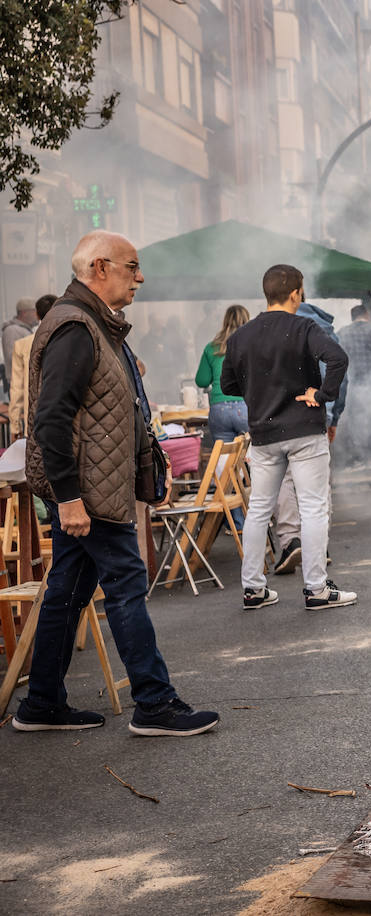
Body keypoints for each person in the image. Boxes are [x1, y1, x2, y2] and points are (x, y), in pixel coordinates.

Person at [15, 230, 218, 736]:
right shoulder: (75, 327)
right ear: (100, 268)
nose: (140, 277)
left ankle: (41, 703)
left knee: (66, 593)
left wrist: (146, 471)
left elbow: (114, 411)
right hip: (88, 496)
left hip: (90, 492)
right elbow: (52, 420)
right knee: (125, 588)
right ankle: (154, 703)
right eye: (132, 267)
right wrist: (69, 497)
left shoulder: (90, 324)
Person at [221, 264, 355, 612]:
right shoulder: (305, 328)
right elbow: (338, 358)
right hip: (304, 431)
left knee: (260, 510)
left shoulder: (240, 337)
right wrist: (322, 394)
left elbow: (227, 385)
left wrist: (257, 393)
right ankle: (316, 589)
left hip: (264, 434)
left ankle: (253, 589)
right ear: (297, 292)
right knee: (313, 507)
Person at [271, 299, 346, 577]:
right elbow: (341, 374)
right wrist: (334, 413)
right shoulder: (324, 329)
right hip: (317, 414)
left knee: (285, 480)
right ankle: (319, 546)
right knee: (317, 486)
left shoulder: (273, 329)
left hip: (280, 415)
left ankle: (291, 541)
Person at [336, 303, 371, 466]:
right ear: (366, 315)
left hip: (353, 384)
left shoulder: (342, 333)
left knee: (355, 419)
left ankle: (357, 457)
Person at [196, 305, 251, 446]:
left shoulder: (212, 347)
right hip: (246, 407)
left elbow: (201, 381)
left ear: (225, 321)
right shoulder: (252, 346)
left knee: (223, 459)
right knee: (253, 456)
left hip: (219, 409)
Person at [8, 293, 56, 438]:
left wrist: (15, 426)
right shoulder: (70, 342)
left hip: (34, 421)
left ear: (37, 315)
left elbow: (17, 388)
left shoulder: (22, 345)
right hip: (66, 423)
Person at [3, 297, 39, 396]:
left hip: (26, 385)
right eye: (34, 311)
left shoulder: (24, 330)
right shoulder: (12, 330)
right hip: (19, 387)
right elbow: (13, 357)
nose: (37, 315)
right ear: (24, 313)